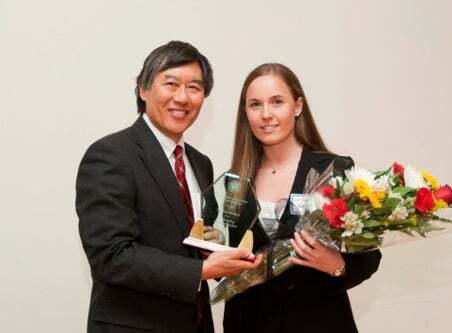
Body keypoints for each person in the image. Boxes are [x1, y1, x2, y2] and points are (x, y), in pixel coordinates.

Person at [76, 41, 261, 333]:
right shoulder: (111, 155)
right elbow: (112, 256)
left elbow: (191, 242)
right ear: (142, 89)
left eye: (194, 88)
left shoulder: (201, 164)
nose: (182, 97)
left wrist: (225, 254)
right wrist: (203, 270)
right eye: (171, 83)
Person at [223, 63, 382, 333]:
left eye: (277, 102)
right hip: (248, 323)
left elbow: (369, 256)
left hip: (319, 322)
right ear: (245, 113)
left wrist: (337, 265)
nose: (266, 115)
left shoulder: (335, 170)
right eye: (255, 105)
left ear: (297, 106)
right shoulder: (232, 183)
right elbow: (225, 264)